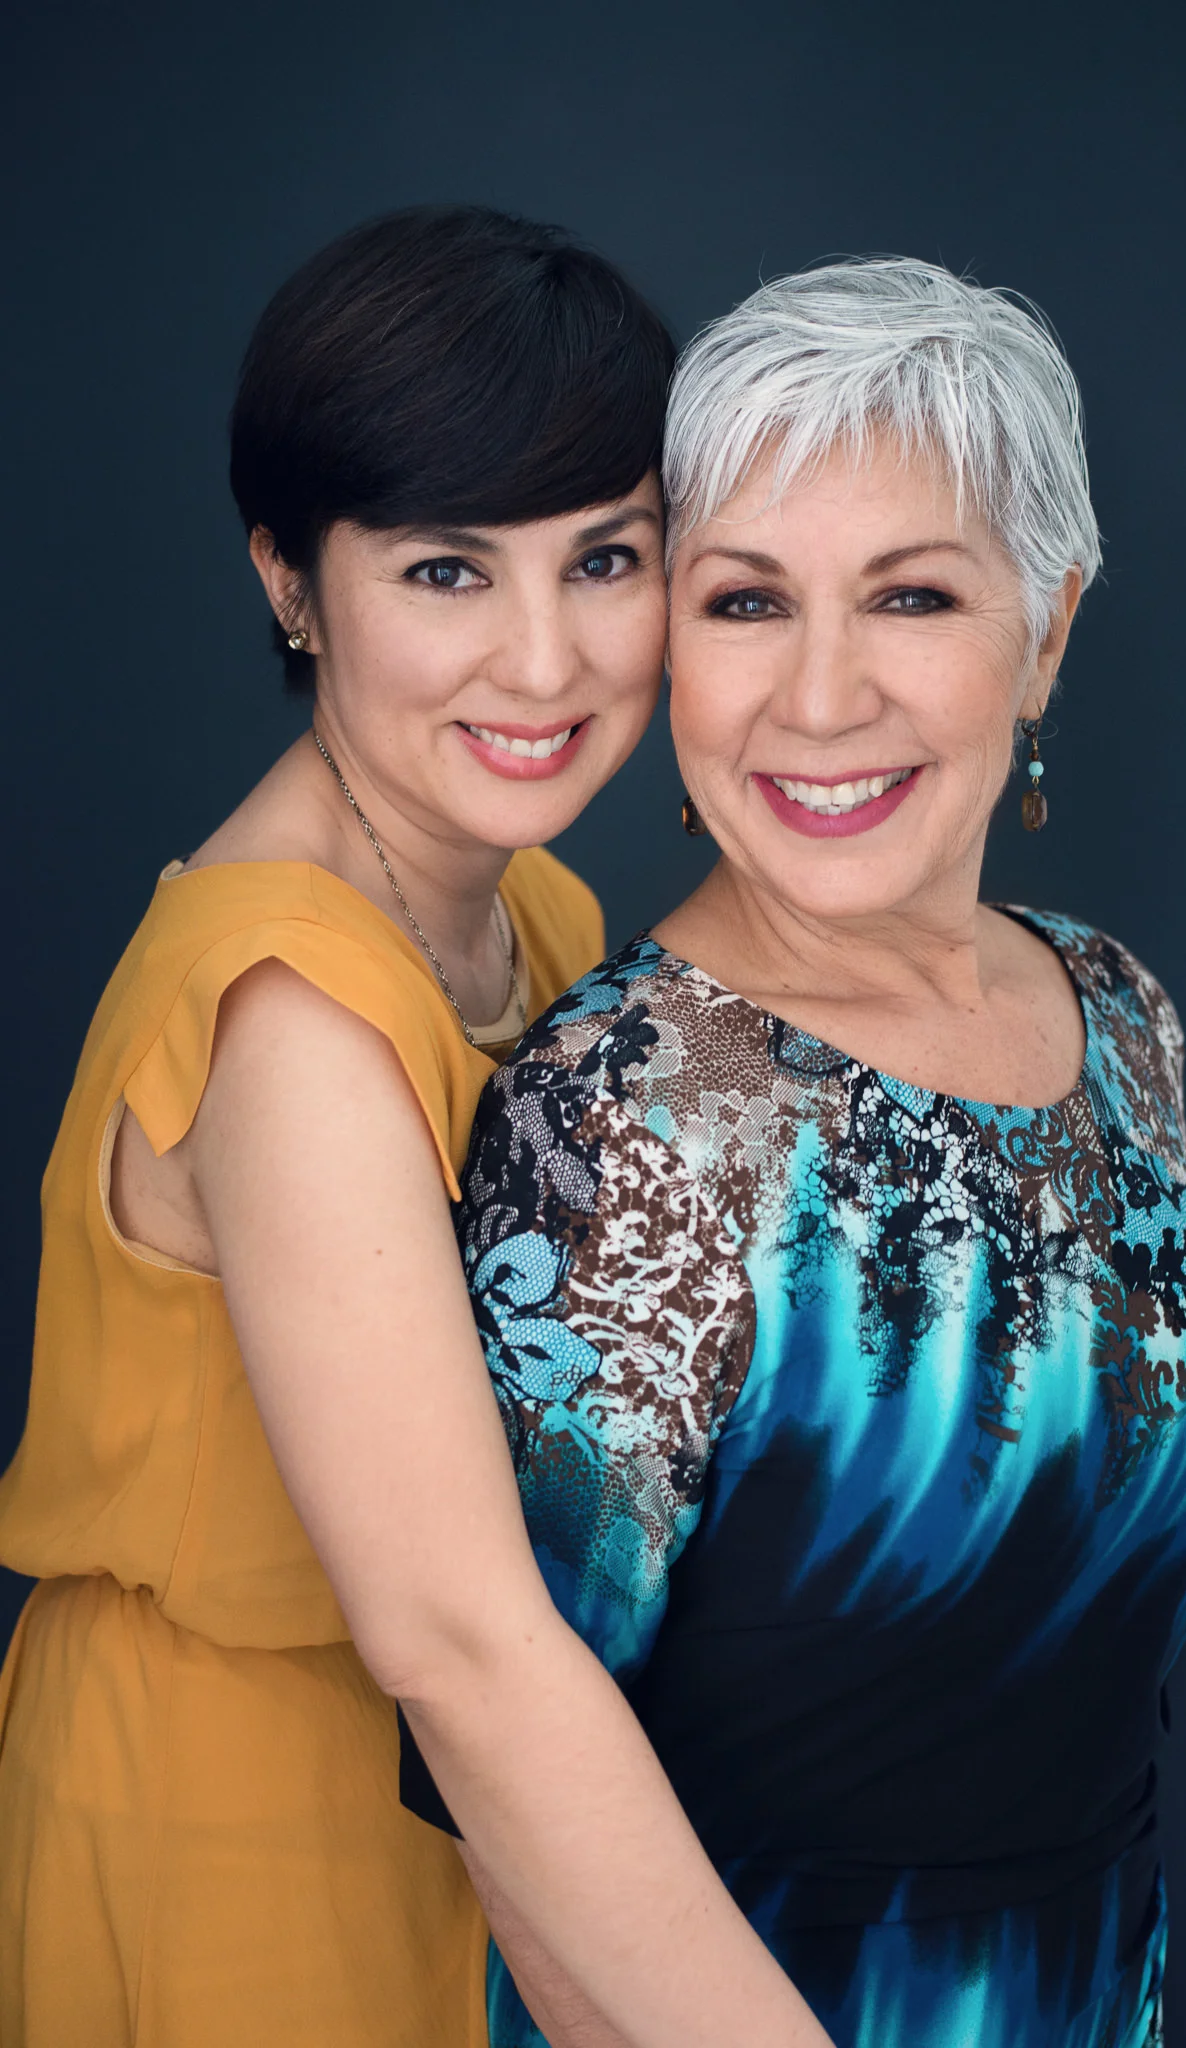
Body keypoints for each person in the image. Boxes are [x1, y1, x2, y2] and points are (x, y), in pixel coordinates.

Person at [0, 208, 834, 2048]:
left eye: (603, 559)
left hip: (475, 1772)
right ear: (291, 581)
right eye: (447, 571)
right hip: (248, 1810)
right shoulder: (292, 1015)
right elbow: (453, 1634)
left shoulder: (529, 905)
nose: (542, 663)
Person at [455, 258, 1186, 2048]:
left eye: (909, 595)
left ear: (1047, 631)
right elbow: (514, 1817)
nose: (820, 696)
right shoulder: (622, 1115)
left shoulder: (1113, 1009)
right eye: (745, 602)